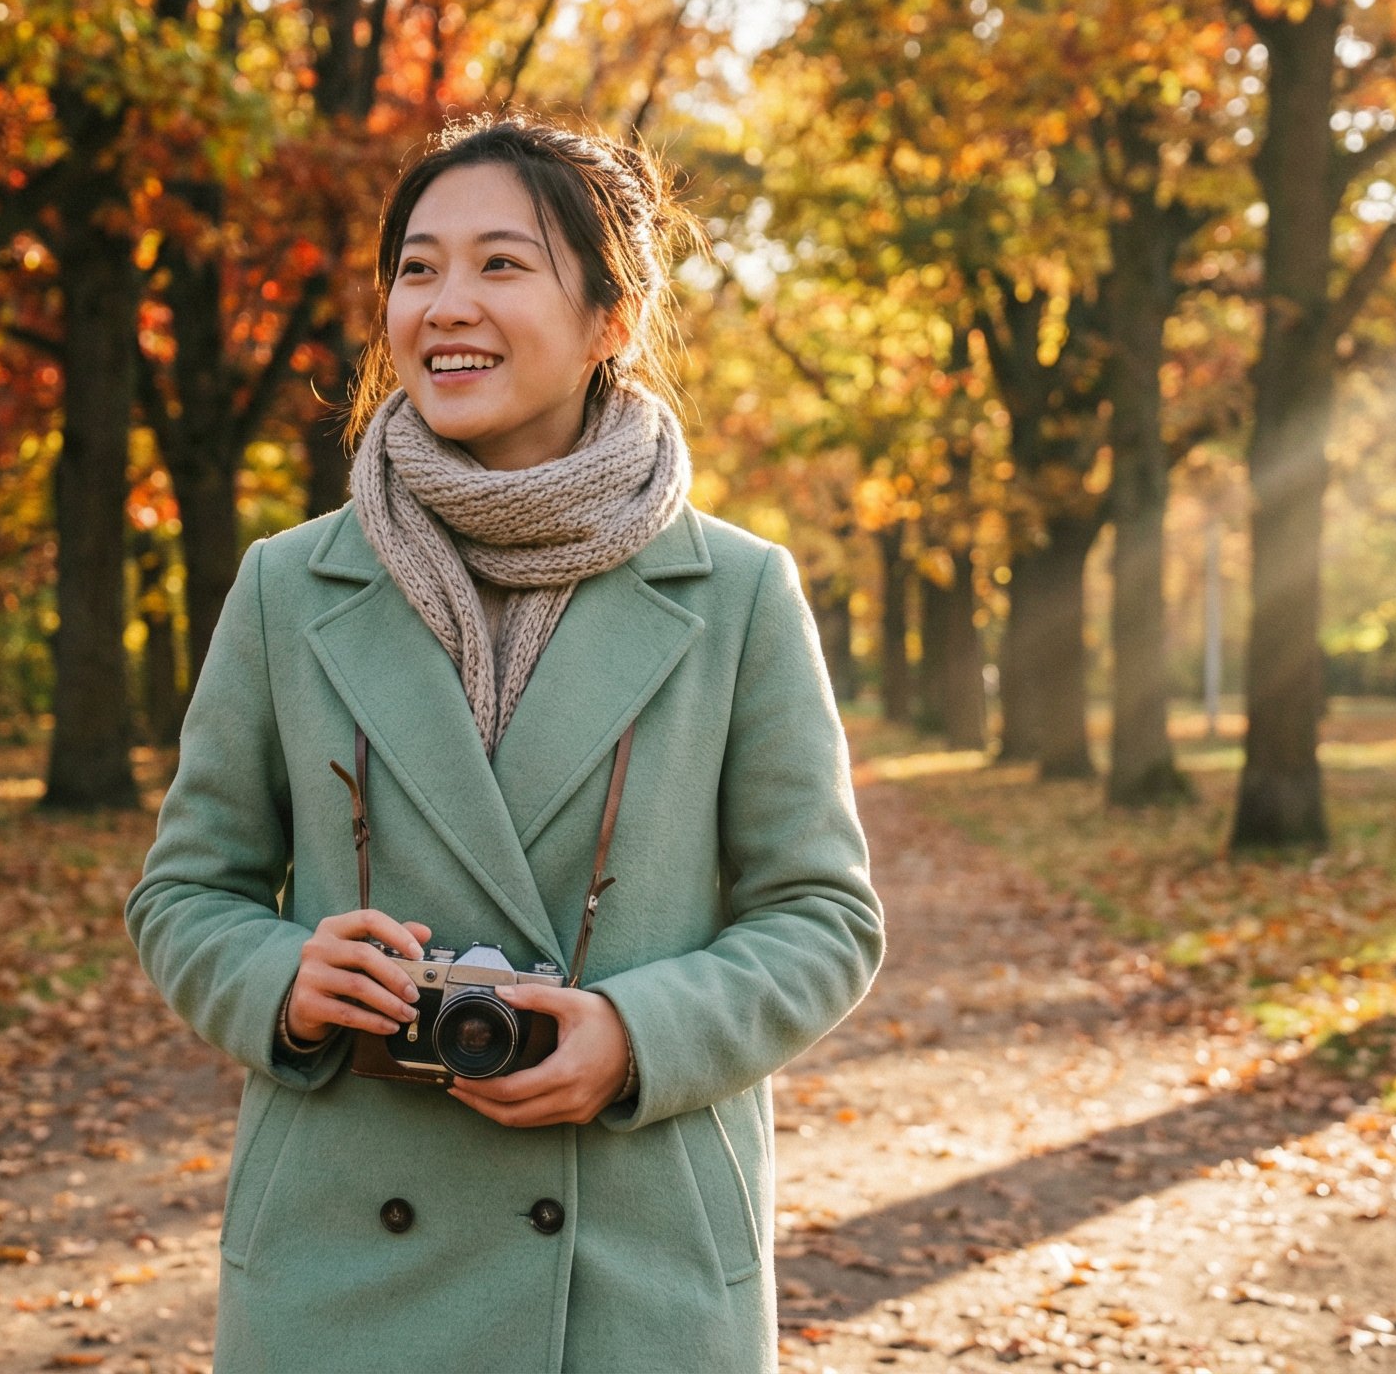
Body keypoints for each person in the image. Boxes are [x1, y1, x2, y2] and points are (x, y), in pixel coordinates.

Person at [124, 112, 884, 1373]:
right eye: (416, 268)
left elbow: (823, 917)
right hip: (340, 1257)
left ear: (611, 320)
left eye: (500, 264)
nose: (445, 304)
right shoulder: (289, 585)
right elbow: (185, 892)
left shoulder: (737, 593)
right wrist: (282, 982)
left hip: (628, 1264)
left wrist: (636, 1036)